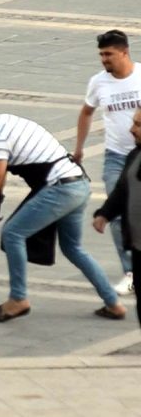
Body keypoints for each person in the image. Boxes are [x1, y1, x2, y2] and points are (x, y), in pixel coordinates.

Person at [0, 104, 125, 322]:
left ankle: (18, 299)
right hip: (78, 184)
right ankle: (113, 303)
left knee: (13, 233)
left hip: (61, 188)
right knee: (73, 248)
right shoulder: (3, 122)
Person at [75, 29, 141, 295]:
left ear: (124, 52)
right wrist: (79, 148)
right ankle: (130, 272)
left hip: (140, 155)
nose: (104, 59)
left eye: (108, 54)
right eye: (101, 55)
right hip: (115, 157)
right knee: (117, 214)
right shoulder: (98, 82)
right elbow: (86, 112)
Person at [94, 108, 141, 327]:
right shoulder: (135, 155)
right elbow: (123, 190)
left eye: (138, 125)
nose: (131, 130)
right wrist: (105, 213)